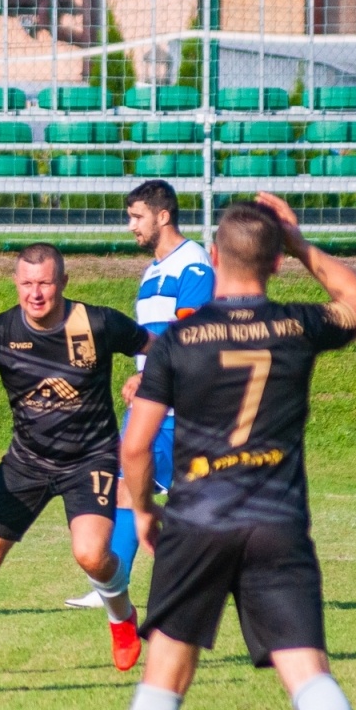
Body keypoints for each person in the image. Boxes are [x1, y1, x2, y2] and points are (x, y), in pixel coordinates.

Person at [101, 195, 356, 710]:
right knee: (306, 669)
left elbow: (135, 445)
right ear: (277, 263)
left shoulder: (178, 340)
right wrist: (301, 242)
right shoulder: (296, 325)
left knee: (166, 671)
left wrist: (144, 509)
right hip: (277, 521)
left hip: (198, 519)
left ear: (215, 257)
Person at [0, 243, 152, 676]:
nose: (35, 293)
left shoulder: (98, 323)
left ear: (63, 282)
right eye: (27, 284)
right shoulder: (1, 332)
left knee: (91, 554)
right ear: (16, 284)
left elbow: (160, 347)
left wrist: (146, 374)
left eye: (45, 283)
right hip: (26, 462)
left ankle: (122, 617)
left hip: (90, 459)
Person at [66, 180, 214, 610]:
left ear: (162, 216)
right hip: (156, 399)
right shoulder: (153, 272)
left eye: (137, 217)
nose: (130, 225)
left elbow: (189, 336)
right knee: (129, 485)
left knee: (133, 486)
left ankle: (116, 586)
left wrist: (148, 378)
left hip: (177, 402)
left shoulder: (193, 266)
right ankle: (118, 584)